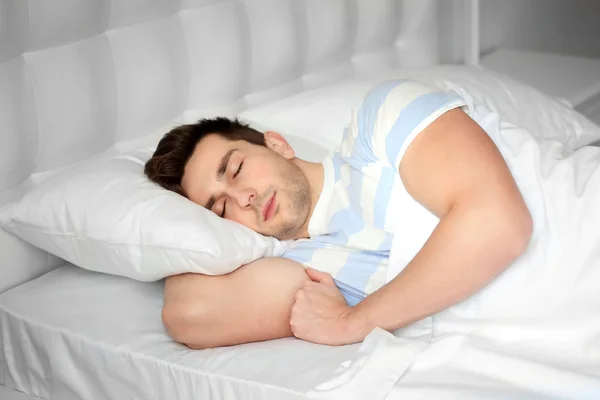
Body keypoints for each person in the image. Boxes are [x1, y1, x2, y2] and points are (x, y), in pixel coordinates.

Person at [144, 79, 533, 349]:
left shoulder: (376, 126)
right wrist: (185, 224)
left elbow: (499, 222)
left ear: (277, 145)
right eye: (220, 207)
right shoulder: (307, 268)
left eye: (236, 169)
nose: (243, 197)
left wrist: (352, 321)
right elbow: (188, 314)